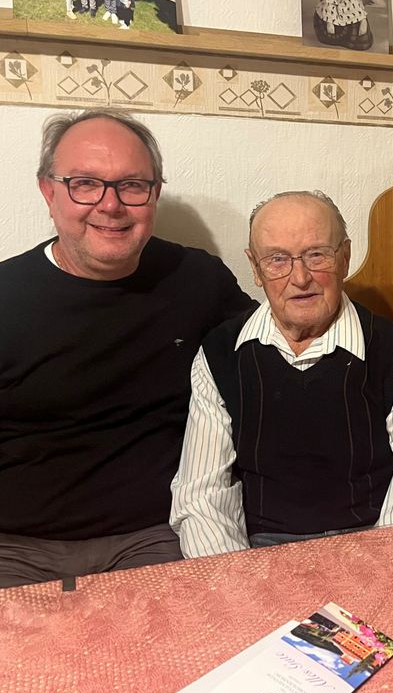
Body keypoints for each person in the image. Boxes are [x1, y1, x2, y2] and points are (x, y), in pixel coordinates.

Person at [0, 109, 254, 588]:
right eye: (85, 184)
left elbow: (272, 359)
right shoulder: (4, 294)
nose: (110, 205)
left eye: (132, 185)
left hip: (156, 536)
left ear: (155, 193)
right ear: (48, 191)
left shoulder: (199, 281)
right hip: (14, 548)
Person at [170, 190, 393, 556]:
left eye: (317, 255)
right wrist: (237, 582)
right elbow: (202, 495)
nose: (301, 277)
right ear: (256, 269)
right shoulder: (221, 354)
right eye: (278, 260)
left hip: (368, 546)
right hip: (259, 553)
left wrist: (383, 574)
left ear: (345, 257)